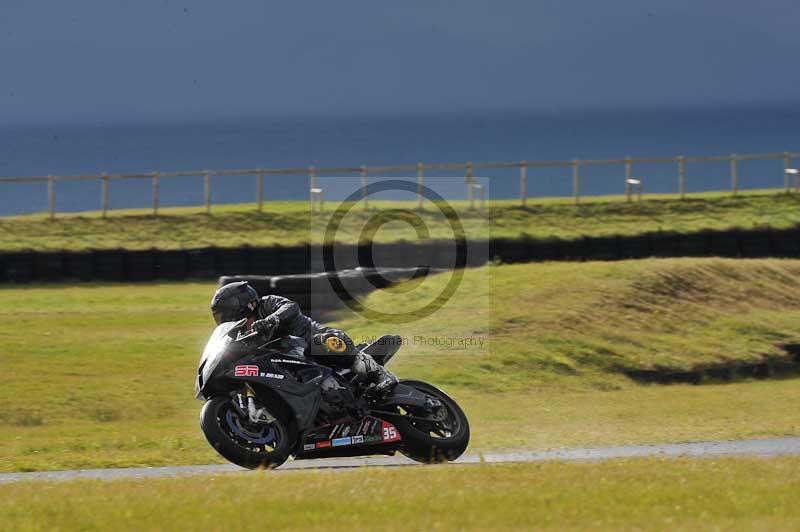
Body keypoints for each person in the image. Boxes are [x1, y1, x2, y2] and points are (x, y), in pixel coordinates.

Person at [210, 281, 398, 393]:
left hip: (316, 341)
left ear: (241, 305)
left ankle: (379, 374)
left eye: (225, 313)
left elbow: (290, 307)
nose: (224, 319)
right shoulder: (243, 334)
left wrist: (271, 320)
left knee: (323, 343)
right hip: (295, 366)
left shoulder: (267, 304)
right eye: (220, 316)